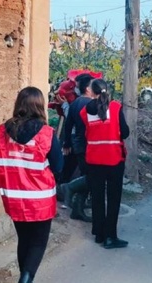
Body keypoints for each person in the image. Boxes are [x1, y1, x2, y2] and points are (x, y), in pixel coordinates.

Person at [0, 86, 63, 283]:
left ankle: (25, 277)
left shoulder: (3, 131)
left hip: (14, 197)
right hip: (40, 199)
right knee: (38, 242)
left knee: (24, 240)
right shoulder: (47, 133)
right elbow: (58, 166)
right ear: (40, 106)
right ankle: (26, 278)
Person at [80, 79, 130, 249]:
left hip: (93, 160)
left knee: (97, 197)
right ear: (106, 90)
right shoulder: (115, 107)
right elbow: (125, 132)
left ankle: (99, 234)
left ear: (91, 92)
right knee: (114, 198)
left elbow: (85, 133)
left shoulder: (84, 111)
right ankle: (111, 236)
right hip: (114, 159)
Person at [59, 74, 95, 222]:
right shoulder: (91, 104)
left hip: (77, 143)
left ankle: (77, 208)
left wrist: (67, 143)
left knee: (86, 174)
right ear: (88, 88)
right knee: (90, 176)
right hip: (89, 143)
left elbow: (68, 125)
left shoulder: (75, 103)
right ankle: (68, 189)